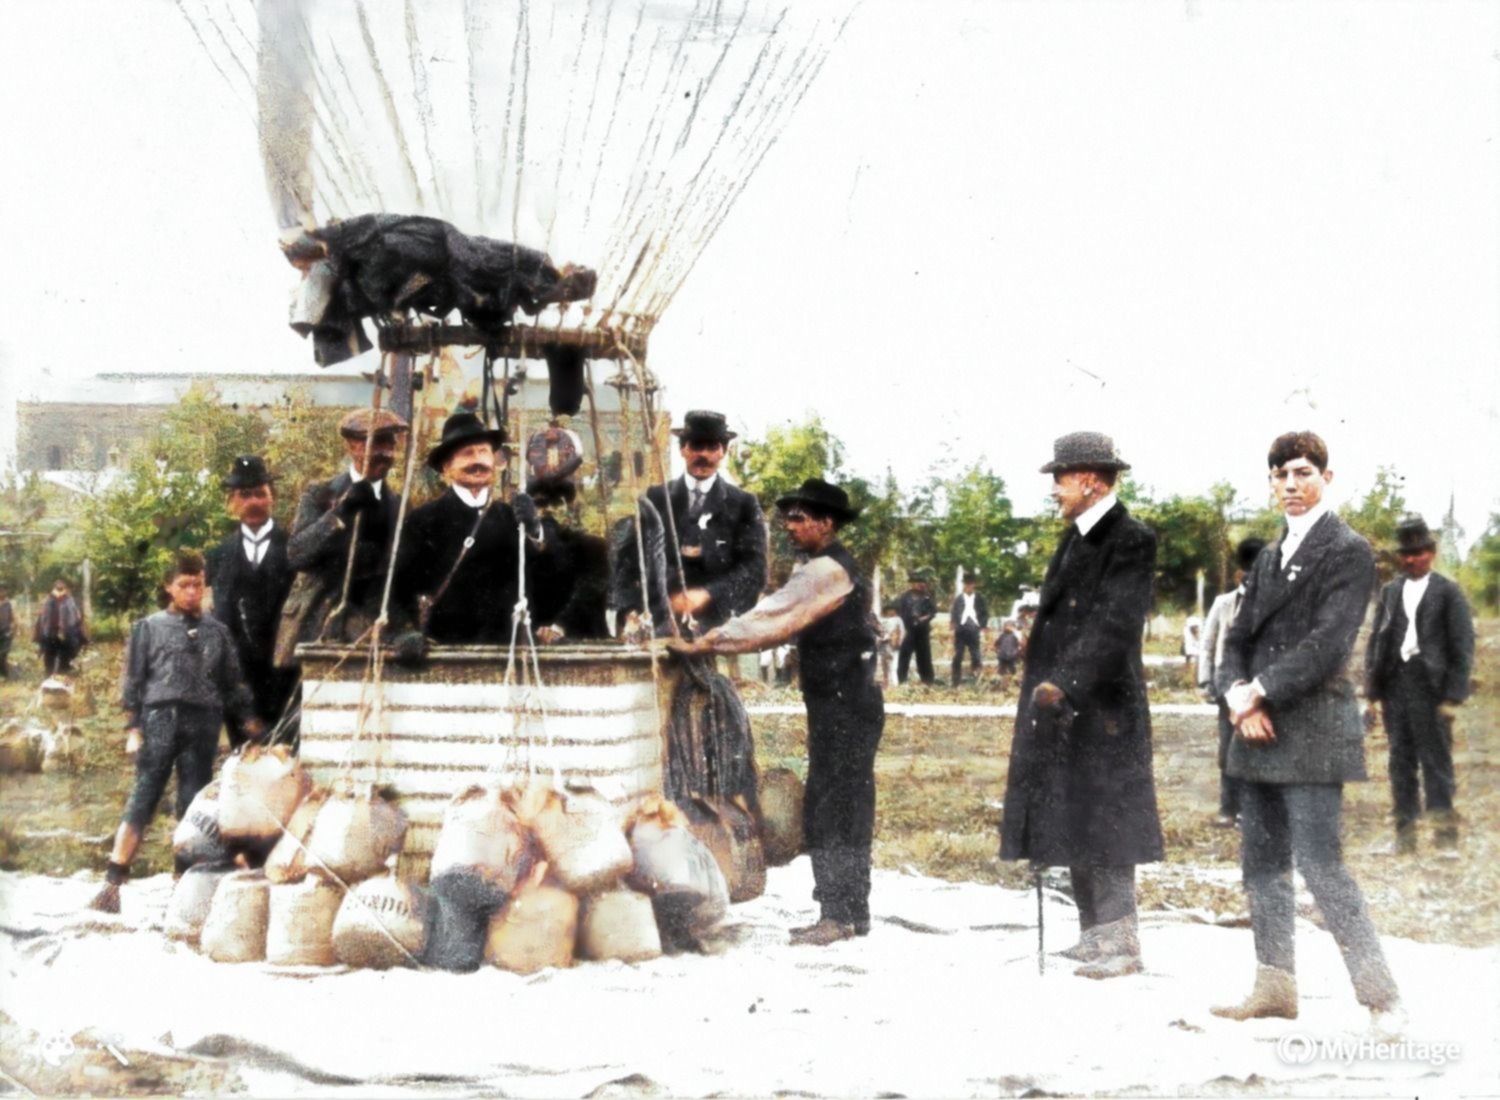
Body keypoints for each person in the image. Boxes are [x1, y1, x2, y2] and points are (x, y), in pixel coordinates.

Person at [1212, 430, 1402, 1032]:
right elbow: (1236, 640)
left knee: (1322, 868)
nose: (1290, 486)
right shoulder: (1269, 557)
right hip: (1258, 730)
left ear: (1326, 477)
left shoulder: (1348, 550)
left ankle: (1383, 1000)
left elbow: (1328, 645)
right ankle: (1275, 987)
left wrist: (1259, 691)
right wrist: (1239, 698)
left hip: (1315, 731)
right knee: (1261, 864)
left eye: (1302, 473)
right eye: (1280, 475)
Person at [670, 478, 884, 946]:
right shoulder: (831, 567)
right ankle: (852, 910)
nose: (789, 526)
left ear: (826, 523)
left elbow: (772, 618)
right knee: (848, 800)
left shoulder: (824, 571)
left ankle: (838, 915)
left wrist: (705, 642)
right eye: (787, 517)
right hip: (850, 700)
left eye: (799, 518)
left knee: (834, 804)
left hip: (844, 703)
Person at [999, 431, 1162, 980]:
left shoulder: (1131, 539)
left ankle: (1123, 945)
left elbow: (1114, 625)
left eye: (1060, 478)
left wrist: (1065, 681)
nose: (1053, 490)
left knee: (1110, 825)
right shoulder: (1075, 537)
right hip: (1065, 709)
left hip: (1106, 711)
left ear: (1090, 480)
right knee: (1074, 814)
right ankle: (1094, 936)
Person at [89, 550, 262, 913]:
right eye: (183, 584)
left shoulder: (218, 631)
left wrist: (248, 721)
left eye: (198, 584)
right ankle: (112, 884)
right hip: (159, 720)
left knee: (192, 805)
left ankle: (181, 889)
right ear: (169, 587)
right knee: (143, 798)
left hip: (203, 724)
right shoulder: (148, 627)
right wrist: (133, 728)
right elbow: (133, 681)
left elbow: (232, 684)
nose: (191, 591)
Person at [1364, 514, 1475, 853]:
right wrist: (1372, 694)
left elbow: (1462, 646)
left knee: (1436, 764)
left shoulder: (1448, 592)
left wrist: (1452, 697)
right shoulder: (1391, 592)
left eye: (1420, 552)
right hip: (1396, 686)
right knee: (1400, 762)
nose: (1412, 559)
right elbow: (1376, 643)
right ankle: (1404, 837)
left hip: (1432, 690)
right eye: (1406, 554)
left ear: (1432, 552)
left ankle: (1445, 840)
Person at [395, 412, 545, 646]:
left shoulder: (511, 517)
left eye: (484, 452)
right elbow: (400, 586)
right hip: (444, 651)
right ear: (447, 467)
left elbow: (540, 577)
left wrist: (535, 530)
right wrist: (404, 632)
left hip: (507, 651)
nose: (479, 461)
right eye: (467, 453)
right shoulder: (422, 520)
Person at [634, 410, 768, 633]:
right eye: (696, 446)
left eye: (712, 447)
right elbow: (634, 558)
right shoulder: (656, 498)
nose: (703, 455)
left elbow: (754, 570)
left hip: (720, 624)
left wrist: (708, 594)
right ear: (683, 449)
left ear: (723, 451)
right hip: (662, 622)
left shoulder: (743, 503)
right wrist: (633, 610)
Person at [207, 456, 295, 744]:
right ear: (232, 502)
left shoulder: (294, 549)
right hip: (239, 682)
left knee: (286, 765)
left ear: (272, 497)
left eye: (260, 493)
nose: (253, 501)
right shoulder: (219, 555)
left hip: (285, 678)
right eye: (245, 495)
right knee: (244, 761)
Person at [1197, 537, 1267, 827]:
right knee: (1228, 747)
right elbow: (1208, 643)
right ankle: (1229, 806)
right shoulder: (1223, 603)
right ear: (1240, 574)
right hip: (1228, 686)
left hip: (1259, 686)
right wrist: (1205, 682)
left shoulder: (1271, 603)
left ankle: (1251, 810)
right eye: (1250, 573)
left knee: (1257, 746)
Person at [34, 579, 87, 676]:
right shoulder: (48, 599)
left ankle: (62, 674)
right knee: (49, 655)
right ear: (54, 586)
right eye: (58, 583)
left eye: (62, 583)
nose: (60, 585)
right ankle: (49, 675)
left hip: (67, 631)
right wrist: (41, 632)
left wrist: (78, 629)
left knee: (66, 654)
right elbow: (42, 617)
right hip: (50, 632)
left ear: (65, 586)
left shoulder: (69, 600)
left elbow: (76, 616)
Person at [896, 574, 936, 685]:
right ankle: (902, 679)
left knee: (924, 655)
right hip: (909, 630)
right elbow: (900, 612)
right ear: (913, 584)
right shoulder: (905, 597)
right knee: (905, 655)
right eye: (918, 582)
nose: (921, 585)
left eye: (922, 582)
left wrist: (923, 618)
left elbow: (933, 612)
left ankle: (927, 680)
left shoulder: (927, 597)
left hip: (923, 630)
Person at [949, 574, 988, 687]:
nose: (969, 586)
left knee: (975, 654)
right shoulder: (959, 598)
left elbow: (984, 612)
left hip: (974, 627)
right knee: (958, 654)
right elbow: (954, 612)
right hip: (961, 629)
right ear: (964, 585)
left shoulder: (979, 598)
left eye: (971, 584)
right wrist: (953, 623)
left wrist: (983, 625)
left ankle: (976, 679)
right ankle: (955, 681)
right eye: (967, 584)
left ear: (974, 585)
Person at [877, 603, 905, 688]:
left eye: (893, 610)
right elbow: (878, 630)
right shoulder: (880, 619)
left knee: (893, 665)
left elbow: (902, 631)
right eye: (889, 609)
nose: (891, 611)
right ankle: (886, 682)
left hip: (893, 644)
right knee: (884, 664)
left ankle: (894, 683)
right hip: (883, 644)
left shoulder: (898, 619)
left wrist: (900, 641)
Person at [994, 619, 1023, 686]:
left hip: (1012, 656)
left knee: (1013, 670)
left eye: (1009, 626)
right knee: (1001, 670)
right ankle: (1002, 684)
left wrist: (1018, 651)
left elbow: (1020, 644)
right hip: (1002, 656)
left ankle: (1016, 683)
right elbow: (996, 644)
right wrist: (997, 651)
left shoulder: (1015, 636)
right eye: (1005, 626)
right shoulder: (1001, 635)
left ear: (1013, 627)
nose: (1007, 627)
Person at [0, 587, 13, 679]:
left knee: (3, 654)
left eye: (3, 590)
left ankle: (4, 675)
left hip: (5, 632)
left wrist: (12, 630)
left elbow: (12, 618)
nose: (2, 592)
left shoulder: (8, 604)